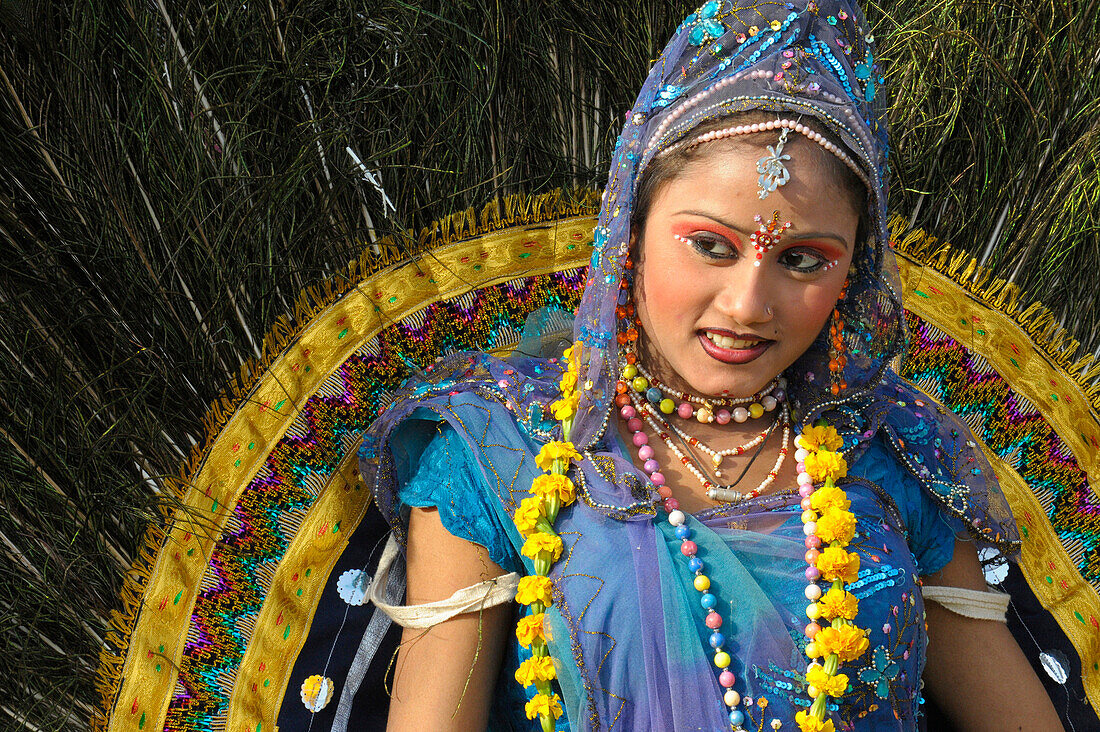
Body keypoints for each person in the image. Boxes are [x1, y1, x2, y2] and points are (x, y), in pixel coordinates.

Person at [357, 1, 1064, 729]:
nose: (750, 303)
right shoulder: (504, 449)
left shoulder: (893, 452)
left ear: (855, 272)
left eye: (802, 260)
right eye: (711, 246)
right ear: (629, 230)